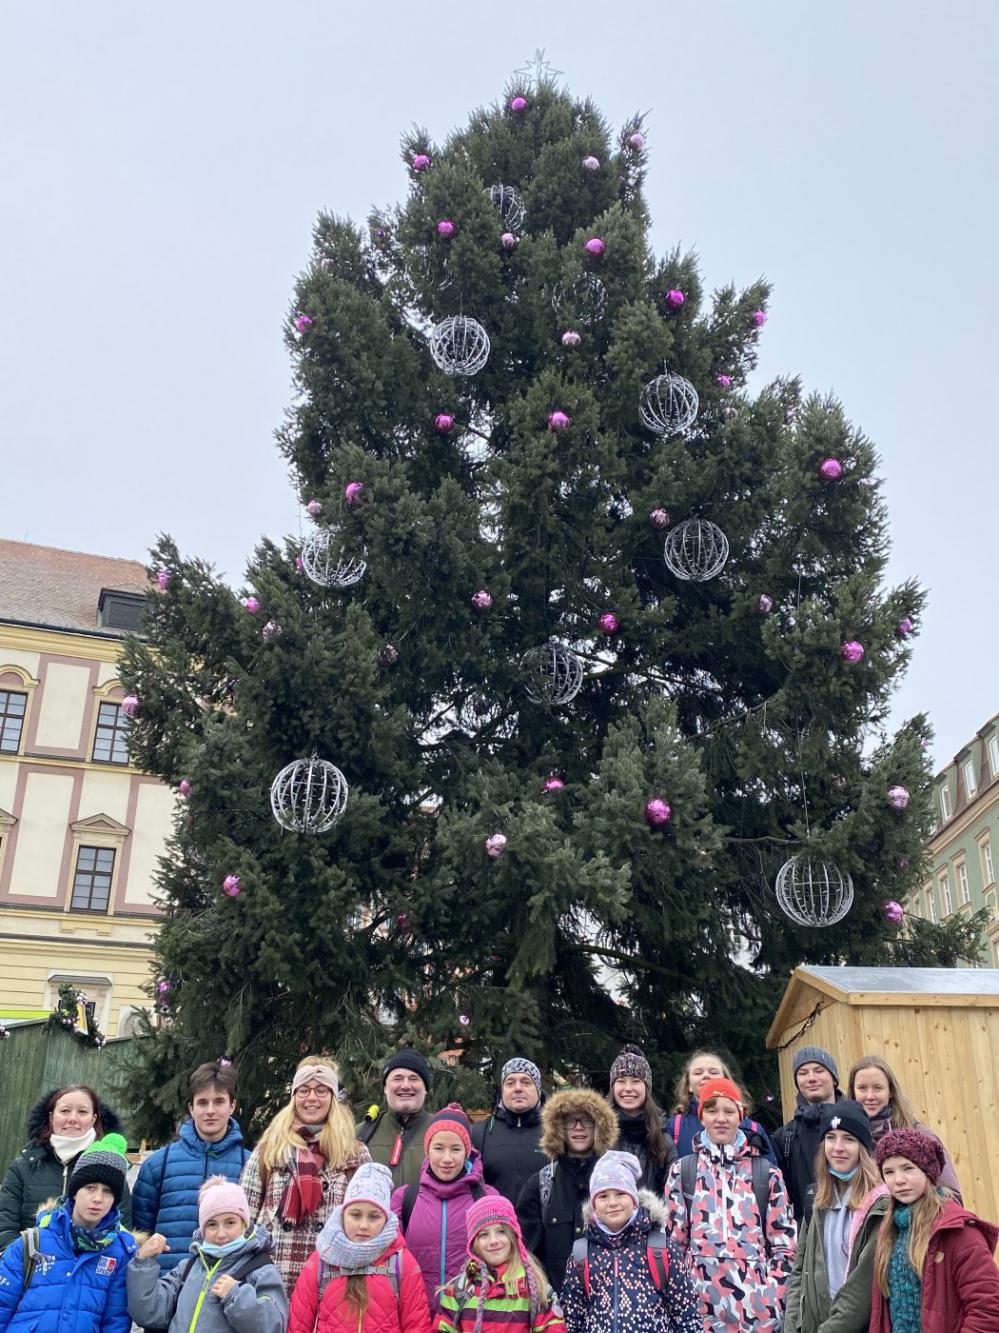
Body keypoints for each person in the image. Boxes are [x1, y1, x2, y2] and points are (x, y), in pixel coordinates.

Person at [663, 1076, 796, 1331]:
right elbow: (673, 1245)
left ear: (740, 1116)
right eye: (712, 1111)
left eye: (729, 1111)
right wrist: (682, 1297)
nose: (721, 1119)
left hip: (757, 1315)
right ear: (702, 1117)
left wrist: (772, 1297)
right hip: (698, 1312)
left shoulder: (766, 1173)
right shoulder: (683, 1171)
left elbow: (785, 1245)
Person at [241, 1054, 370, 1292]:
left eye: (321, 1090)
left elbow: (367, 1222)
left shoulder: (354, 1152)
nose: (311, 1098)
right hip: (271, 1280)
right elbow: (243, 1218)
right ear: (294, 1097)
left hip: (330, 1279)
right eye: (304, 1090)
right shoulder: (270, 1147)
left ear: (333, 1097)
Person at [0, 1133, 136, 1333]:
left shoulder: (120, 1252)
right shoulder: (31, 1243)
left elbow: (115, 1322)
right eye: (90, 1188)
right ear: (74, 1191)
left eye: (107, 1191)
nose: (98, 1198)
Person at [870, 1127, 999, 1332]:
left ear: (928, 1171)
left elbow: (988, 1309)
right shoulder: (889, 1231)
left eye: (908, 1168)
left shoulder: (958, 1231)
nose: (899, 1180)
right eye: (889, 1172)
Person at [560, 1150, 699, 1333]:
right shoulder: (581, 1253)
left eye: (620, 1194)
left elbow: (686, 1314)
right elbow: (572, 1317)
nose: (612, 1203)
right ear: (593, 1204)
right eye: (603, 1196)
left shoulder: (660, 1248)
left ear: (634, 1199)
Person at [127, 1174, 287, 1333]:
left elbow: (273, 1326)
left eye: (230, 1222)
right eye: (212, 1224)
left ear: (244, 1224)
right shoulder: (188, 1268)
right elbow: (148, 1313)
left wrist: (235, 1296)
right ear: (202, 1230)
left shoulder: (261, 1271)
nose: (221, 1233)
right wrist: (143, 1262)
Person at [132, 1060, 250, 1271]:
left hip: (227, 1284)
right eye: (202, 1102)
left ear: (232, 1106)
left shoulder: (250, 1165)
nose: (210, 1110)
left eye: (219, 1101)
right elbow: (139, 1236)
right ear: (191, 1108)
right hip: (167, 1284)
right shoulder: (157, 1165)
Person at [783, 1100, 888, 1333]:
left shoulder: (879, 1205)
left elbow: (861, 1291)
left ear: (863, 1147)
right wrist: (791, 1326)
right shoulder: (817, 1200)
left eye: (848, 1139)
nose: (838, 1147)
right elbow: (799, 1273)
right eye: (831, 1138)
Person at [289, 1162, 430, 1333]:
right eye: (355, 1215)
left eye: (374, 1217)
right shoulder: (321, 1260)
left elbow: (417, 1326)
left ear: (386, 1220)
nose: (364, 1225)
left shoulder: (401, 1263)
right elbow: (299, 1325)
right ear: (343, 1214)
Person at [391, 1105, 497, 1314]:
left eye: (456, 1149)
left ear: (467, 1152)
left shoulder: (486, 1198)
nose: (447, 1158)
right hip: (417, 1315)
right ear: (427, 1150)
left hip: (470, 1316)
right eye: (439, 1148)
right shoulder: (405, 1199)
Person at [0, 1084, 132, 1248]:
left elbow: (122, 1230)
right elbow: (5, 1226)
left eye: (82, 1112)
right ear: (51, 1117)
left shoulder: (111, 1169)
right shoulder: (23, 1167)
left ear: (94, 1119)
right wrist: (22, 1259)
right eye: (65, 1111)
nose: (72, 1119)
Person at [516, 1088, 617, 1294]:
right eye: (570, 1121)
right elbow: (526, 1253)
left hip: (605, 1300)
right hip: (555, 1301)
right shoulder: (541, 1183)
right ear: (557, 1128)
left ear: (599, 1127)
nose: (578, 1127)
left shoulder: (615, 1181)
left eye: (586, 1120)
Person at [435, 1194, 564, 1333]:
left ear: (513, 1236)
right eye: (484, 1234)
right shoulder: (460, 1289)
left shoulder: (535, 1288)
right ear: (474, 1243)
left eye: (501, 1231)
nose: (493, 1241)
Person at [846, 1054, 962, 1200]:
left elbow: (951, 1197)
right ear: (853, 1092)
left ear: (890, 1092)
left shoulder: (921, 1136)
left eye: (878, 1088)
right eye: (862, 1088)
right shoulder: (847, 1142)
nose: (870, 1096)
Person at [772, 1046, 843, 1225]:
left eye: (819, 1070)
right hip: (808, 1234)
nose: (811, 1078)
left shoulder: (857, 1124)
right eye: (803, 1073)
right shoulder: (784, 1137)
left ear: (834, 1079)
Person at [668, 1051, 777, 1165]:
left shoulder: (753, 1128)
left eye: (713, 1072)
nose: (706, 1076)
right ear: (689, 1085)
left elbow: (769, 1170)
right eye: (698, 1073)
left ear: (726, 1080)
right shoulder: (675, 1126)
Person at [471, 1059, 546, 1206]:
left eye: (526, 1082)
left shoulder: (557, 1130)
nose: (518, 1088)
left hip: (543, 1221)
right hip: (495, 1219)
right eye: (510, 1083)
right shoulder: (480, 1133)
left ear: (538, 1089)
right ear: (502, 1090)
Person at [357, 1051, 435, 1190]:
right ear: (385, 1088)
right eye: (397, 1078)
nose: (405, 1085)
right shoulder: (360, 1134)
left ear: (425, 1088)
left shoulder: (443, 1131)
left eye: (414, 1078)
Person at [605, 1045, 677, 1194]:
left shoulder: (662, 1139)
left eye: (636, 1081)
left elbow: (672, 1191)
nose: (628, 1088)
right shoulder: (599, 1134)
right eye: (621, 1081)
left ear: (646, 1088)